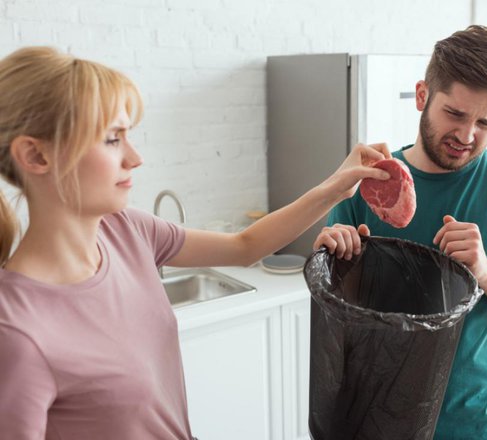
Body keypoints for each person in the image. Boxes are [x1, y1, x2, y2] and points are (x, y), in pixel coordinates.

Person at [0, 46, 391, 439]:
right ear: (35, 155)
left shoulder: (126, 231)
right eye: (112, 139)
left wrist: (336, 187)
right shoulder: (17, 331)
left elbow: (245, 246)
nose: (134, 157)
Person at [315, 25, 487, 439]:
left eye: (486, 122)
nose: (467, 137)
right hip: (373, 414)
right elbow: (337, 305)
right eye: (456, 114)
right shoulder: (368, 180)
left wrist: (485, 270)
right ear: (421, 96)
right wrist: (335, 256)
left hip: (471, 421)